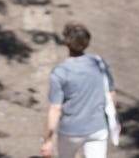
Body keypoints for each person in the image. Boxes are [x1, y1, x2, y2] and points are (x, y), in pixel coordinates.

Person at [41, 22, 118, 158]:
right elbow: (111, 94)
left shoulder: (60, 72)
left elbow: (55, 108)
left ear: (67, 43)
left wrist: (47, 141)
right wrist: (114, 119)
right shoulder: (99, 63)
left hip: (70, 131)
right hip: (97, 128)